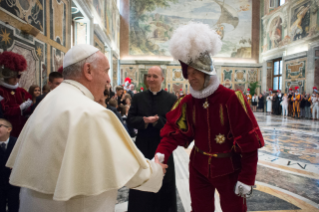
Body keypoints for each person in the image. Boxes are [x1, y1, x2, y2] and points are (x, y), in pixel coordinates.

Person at [6, 44, 167, 212]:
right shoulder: (91, 112)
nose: (108, 80)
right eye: (105, 71)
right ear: (88, 70)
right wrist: (156, 171)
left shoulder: (48, 100)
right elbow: (130, 170)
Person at [154, 22, 264, 212]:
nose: (191, 77)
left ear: (207, 72)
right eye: (188, 73)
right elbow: (175, 133)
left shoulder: (231, 99)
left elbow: (249, 142)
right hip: (198, 167)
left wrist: (247, 178)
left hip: (230, 169)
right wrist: (162, 151)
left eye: (196, 72)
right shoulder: (188, 102)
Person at [127, 66, 177, 212]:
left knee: (164, 181)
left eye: (155, 76)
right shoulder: (138, 98)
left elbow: (174, 124)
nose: (151, 79)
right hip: (143, 146)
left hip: (163, 146)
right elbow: (130, 119)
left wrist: (157, 121)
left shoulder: (171, 99)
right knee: (141, 179)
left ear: (162, 79)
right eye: (148, 76)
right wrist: (144, 120)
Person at [0, 51, 33, 137]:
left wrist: (28, 107)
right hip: (7, 130)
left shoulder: (21, 91)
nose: (16, 79)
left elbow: (30, 104)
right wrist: (19, 108)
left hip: (22, 129)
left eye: (18, 76)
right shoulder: (1, 91)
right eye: (13, 77)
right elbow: (3, 111)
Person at [0, 119, 20, 212]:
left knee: (14, 206)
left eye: (0, 126)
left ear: (9, 129)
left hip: (13, 183)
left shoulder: (17, 143)